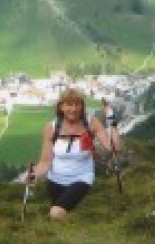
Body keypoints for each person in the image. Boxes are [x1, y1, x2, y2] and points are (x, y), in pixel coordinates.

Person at [31, 89, 120, 220]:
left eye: (77, 104)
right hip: (55, 179)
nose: (73, 109)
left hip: (82, 177)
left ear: (82, 106)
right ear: (61, 107)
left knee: (56, 213)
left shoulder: (91, 123)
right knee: (58, 218)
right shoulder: (51, 128)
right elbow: (45, 161)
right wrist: (34, 175)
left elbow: (114, 147)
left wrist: (112, 120)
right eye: (69, 104)